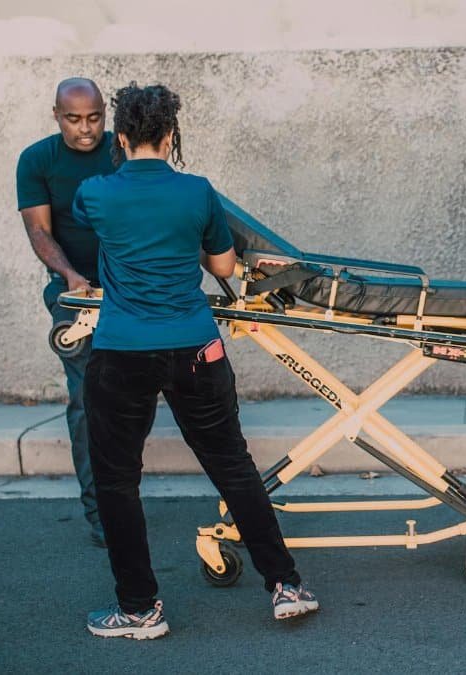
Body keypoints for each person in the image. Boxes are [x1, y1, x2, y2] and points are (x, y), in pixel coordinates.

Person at [75, 82, 319, 639]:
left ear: (120, 136)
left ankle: (139, 610)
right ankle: (286, 586)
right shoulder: (199, 192)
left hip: (121, 353)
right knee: (232, 465)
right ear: (170, 135)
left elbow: (93, 225)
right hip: (194, 347)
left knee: (116, 482)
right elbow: (225, 267)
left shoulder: (95, 193)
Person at [16, 77, 115, 547]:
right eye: (74, 119)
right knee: (87, 402)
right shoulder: (37, 160)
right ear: (56, 114)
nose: (85, 130)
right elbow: (39, 231)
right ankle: (102, 514)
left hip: (131, 291)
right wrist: (73, 278)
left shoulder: (123, 151)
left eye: (94, 117)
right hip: (74, 295)